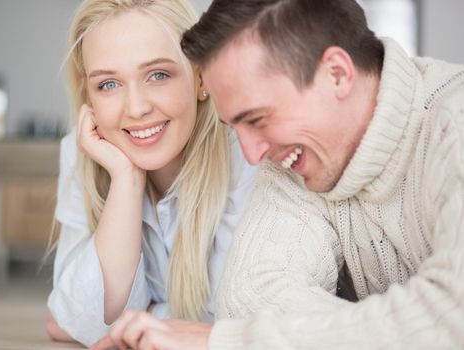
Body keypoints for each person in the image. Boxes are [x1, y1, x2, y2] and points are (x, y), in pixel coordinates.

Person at [90, 0, 464, 349]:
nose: (252, 155)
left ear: (337, 74)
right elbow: (252, 298)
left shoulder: (455, 122)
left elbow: (451, 317)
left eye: (258, 119)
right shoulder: (299, 159)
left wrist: (224, 342)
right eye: (236, 126)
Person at [44, 0, 257, 347]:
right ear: (89, 97)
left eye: (158, 75)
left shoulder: (247, 149)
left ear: (200, 76)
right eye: (109, 84)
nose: (138, 108)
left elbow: (248, 315)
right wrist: (126, 180)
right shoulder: (86, 149)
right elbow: (77, 321)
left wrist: (148, 316)